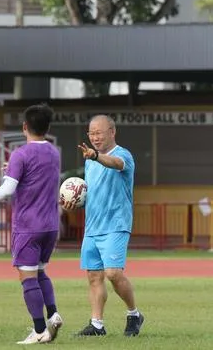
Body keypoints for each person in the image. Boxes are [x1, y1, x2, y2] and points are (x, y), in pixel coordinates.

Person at [0, 103, 63, 344]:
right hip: (50, 225)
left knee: (27, 278)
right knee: (40, 272)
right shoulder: (53, 152)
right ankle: (53, 314)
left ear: (25, 126)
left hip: (28, 225)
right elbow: (33, 175)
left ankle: (38, 331)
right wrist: (13, 169)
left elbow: (9, 188)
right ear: (47, 127)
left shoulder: (21, 153)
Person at [66, 114, 144, 337]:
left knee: (112, 273)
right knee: (93, 277)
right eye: (91, 133)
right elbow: (93, 191)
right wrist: (75, 201)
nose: (95, 137)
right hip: (92, 227)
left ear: (112, 132)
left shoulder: (122, 155)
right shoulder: (90, 160)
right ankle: (97, 325)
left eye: (99, 132)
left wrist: (96, 156)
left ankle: (134, 314)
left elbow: (116, 164)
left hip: (116, 224)